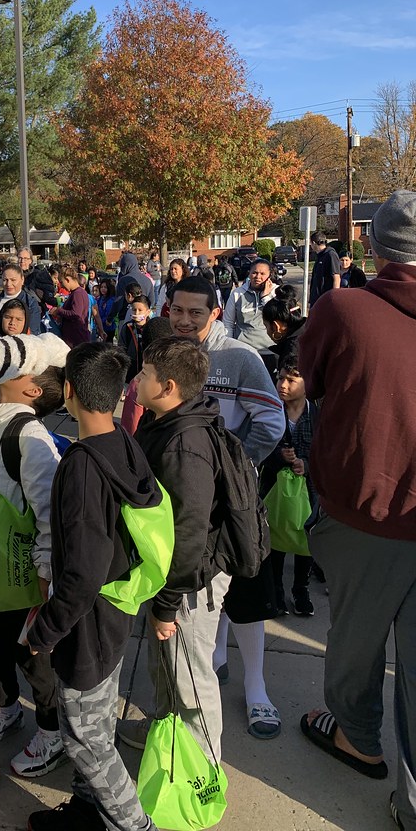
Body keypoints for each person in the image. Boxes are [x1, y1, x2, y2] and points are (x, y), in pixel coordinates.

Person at [298, 190, 416, 829]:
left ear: (373, 244)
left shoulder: (343, 307)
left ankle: (357, 739)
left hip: (367, 510)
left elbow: (310, 382)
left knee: (355, 642)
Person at [26, 342, 162, 831]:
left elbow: (82, 572)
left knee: (86, 737)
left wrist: (45, 632)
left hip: (85, 626)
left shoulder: (82, 466)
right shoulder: (125, 445)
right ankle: (87, 813)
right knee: (98, 721)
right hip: (115, 614)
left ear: (67, 391)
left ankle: (135, 826)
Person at [168, 276, 284, 739]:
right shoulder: (166, 353)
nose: (184, 320)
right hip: (183, 502)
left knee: (247, 594)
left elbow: (271, 420)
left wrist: (234, 470)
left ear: (216, 313)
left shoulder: (239, 357)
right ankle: (214, 662)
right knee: (200, 590)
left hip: (234, 504)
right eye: (177, 310)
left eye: (196, 312)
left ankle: (257, 690)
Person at [118, 337, 230, 759]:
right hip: (170, 575)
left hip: (188, 581)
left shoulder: (186, 444)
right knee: (166, 665)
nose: (136, 381)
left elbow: (189, 532)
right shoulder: (164, 419)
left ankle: (200, 769)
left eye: (144, 374)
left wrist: (166, 604)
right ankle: (165, 732)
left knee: (190, 675)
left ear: (167, 387)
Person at [0, 366, 66, 778]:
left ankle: (51, 729)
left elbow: (48, 513)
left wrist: (45, 572)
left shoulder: (30, 436)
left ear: (31, 389)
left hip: (25, 575)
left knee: (34, 658)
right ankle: (5, 708)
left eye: (21, 365)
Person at [259, 352, 317, 617]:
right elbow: (258, 447)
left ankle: (300, 589)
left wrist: (306, 463)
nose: (283, 385)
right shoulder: (271, 410)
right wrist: (278, 456)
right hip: (274, 488)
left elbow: (327, 451)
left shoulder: (317, 413)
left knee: (306, 540)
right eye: (281, 378)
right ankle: (277, 591)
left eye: (292, 380)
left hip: (309, 490)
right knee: (277, 540)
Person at [222, 258, 278, 373]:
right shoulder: (237, 293)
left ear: (269, 276)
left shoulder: (277, 293)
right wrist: (229, 348)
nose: (258, 277)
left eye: (262, 274)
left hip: (271, 351)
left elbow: (279, 318)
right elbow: (228, 323)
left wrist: (266, 298)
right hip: (244, 351)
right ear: (249, 274)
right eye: (254, 273)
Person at [0, 263, 42, 335]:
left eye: (13, 280)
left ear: (22, 280)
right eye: (5, 280)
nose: (8, 284)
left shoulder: (30, 302)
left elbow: (33, 332)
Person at [262, 286, 306, 370]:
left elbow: (290, 381)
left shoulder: (291, 353)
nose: (267, 331)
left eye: (266, 326)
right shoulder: (312, 329)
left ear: (276, 326)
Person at [49, 266, 90, 347]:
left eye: (62, 282)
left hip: (76, 340)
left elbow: (76, 313)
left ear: (67, 279)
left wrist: (59, 311)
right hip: (73, 339)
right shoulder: (75, 293)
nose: (62, 286)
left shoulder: (78, 294)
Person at [118, 293, 152, 383]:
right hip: (130, 373)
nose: (136, 313)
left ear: (148, 312)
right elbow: (121, 348)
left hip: (148, 373)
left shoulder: (152, 327)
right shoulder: (127, 327)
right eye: (134, 310)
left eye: (140, 310)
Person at [19, 247, 58, 314]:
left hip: (35, 313)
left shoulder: (38, 274)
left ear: (30, 260)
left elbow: (49, 294)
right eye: (20, 258)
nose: (22, 261)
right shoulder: (12, 276)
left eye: (25, 258)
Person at [308, 231, 340, 305]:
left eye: (311, 243)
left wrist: (334, 298)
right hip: (316, 299)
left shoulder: (331, 255)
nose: (311, 246)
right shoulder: (320, 256)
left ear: (314, 243)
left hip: (325, 299)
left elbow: (336, 277)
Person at [96, 279, 117, 343]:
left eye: (105, 287)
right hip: (100, 326)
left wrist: (99, 321)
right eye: (101, 287)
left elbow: (109, 314)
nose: (103, 289)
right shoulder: (100, 299)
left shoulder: (111, 300)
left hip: (108, 327)